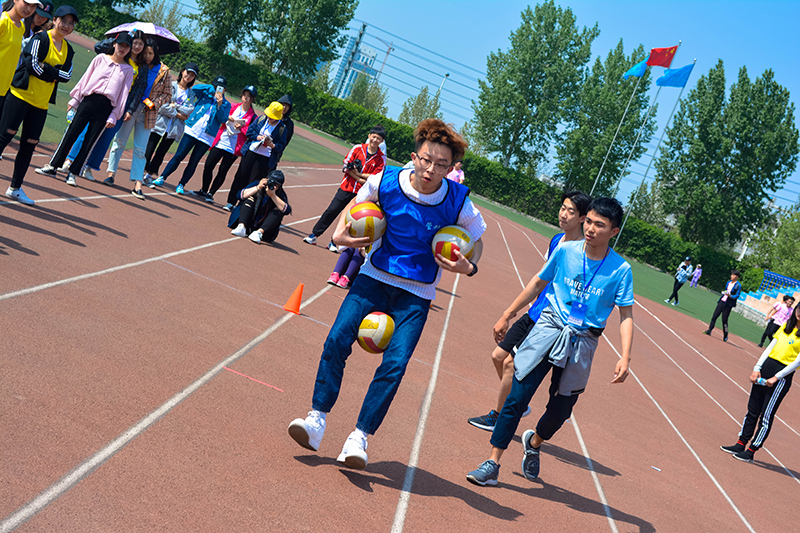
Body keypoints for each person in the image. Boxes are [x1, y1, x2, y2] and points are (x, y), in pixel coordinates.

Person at [288, 119, 486, 471]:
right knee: (337, 339)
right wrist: (342, 237)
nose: (431, 169)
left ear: (451, 168)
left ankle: (359, 437)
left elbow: (477, 240)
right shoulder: (385, 181)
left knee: (395, 364)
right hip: (373, 277)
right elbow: (352, 211)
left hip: (417, 293)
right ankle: (316, 420)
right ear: (414, 156)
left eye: (441, 164)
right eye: (426, 160)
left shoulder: (458, 202)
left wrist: (468, 267)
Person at [466, 197, 634, 487]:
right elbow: (537, 283)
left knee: (560, 411)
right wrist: (508, 313)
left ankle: (534, 441)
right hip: (548, 328)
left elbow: (626, 315)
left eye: (600, 225)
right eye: (589, 222)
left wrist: (625, 356)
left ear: (614, 231)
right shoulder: (566, 251)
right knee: (517, 397)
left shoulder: (621, 270)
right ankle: (492, 462)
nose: (591, 229)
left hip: (582, 341)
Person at [467, 191, 592, 432]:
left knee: (510, 365)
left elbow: (582, 294)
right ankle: (517, 403)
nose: (563, 214)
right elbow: (540, 279)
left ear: (581, 218)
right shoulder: (557, 240)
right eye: (563, 208)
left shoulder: (582, 253)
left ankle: (499, 416)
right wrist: (512, 312)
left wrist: (572, 326)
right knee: (498, 356)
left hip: (552, 321)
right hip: (535, 312)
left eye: (571, 211)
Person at [34, 32, 132, 187]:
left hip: (106, 107)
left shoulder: (128, 70)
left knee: (90, 141)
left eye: (126, 47)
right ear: (114, 44)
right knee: (71, 133)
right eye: (120, 44)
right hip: (88, 100)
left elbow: (123, 95)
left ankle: (73, 173)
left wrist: (114, 115)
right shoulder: (100, 59)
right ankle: (53, 166)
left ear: (129, 50)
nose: (122, 48)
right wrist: (75, 99)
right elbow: (85, 78)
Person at [1, 5, 75, 206]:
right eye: (63, 21)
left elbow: (67, 76)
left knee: (29, 146)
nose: (66, 26)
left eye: (71, 23)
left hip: (41, 105)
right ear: (55, 20)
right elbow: (31, 65)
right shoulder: (40, 38)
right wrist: (53, 73)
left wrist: (47, 69)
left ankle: (15, 188)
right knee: (4, 137)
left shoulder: (68, 50)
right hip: (20, 96)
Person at [57, 29, 145, 183]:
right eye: (135, 43)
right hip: (91, 98)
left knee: (98, 139)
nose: (136, 47)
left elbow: (134, 91)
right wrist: (125, 37)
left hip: (114, 103)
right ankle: (64, 161)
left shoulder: (138, 67)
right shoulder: (103, 57)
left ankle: (83, 168)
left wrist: (126, 110)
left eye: (139, 44)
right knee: (77, 132)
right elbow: (97, 51)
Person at [720, 304, 800, 463]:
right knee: (752, 410)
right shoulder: (786, 327)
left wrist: (777, 377)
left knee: (766, 415)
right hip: (766, 368)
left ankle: (751, 450)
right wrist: (757, 368)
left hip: (782, 376)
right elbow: (770, 348)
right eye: (799, 310)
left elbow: (797, 361)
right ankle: (741, 443)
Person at [102, 38, 170, 199]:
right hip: (131, 108)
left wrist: (155, 103)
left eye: (150, 53)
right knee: (120, 141)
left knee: (140, 149)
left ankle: (138, 183)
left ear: (156, 53)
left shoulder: (164, 71)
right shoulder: (138, 65)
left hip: (148, 112)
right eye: (145, 53)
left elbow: (167, 94)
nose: (147, 56)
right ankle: (111, 173)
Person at [302, 125, 386, 252]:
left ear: (382, 141)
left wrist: (358, 174)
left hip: (362, 194)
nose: (375, 140)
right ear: (369, 136)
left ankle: (334, 242)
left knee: (349, 219)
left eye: (378, 138)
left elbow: (376, 177)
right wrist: (359, 178)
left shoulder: (381, 158)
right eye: (373, 137)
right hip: (347, 187)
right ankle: (314, 235)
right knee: (332, 210)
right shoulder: (357, 148)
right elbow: (346, 166)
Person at [149, 75, 231, 193]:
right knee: (179, 155)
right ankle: (163, 177)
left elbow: (223, 119)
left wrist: (220, 104)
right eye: (216, 86)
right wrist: (211, 88)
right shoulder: (205, 94)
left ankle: (181, 184)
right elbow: (195, 88)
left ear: (224, 90)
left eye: (221, 88)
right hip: (192, 130)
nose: (218, 89)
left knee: (193, 162)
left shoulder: (226, 104)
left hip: (207, 137)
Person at [192, 84, 257, 204]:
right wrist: (228, 117)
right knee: (208, 165)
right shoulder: (233, 106)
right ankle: (204, 189)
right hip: (221, 141)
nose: (245, 98)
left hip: (233, 148)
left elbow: (251, 133)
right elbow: (222, 117)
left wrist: (241, 127)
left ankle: (211, 193)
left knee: (223, 171)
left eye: (249, 96)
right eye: (244, 95)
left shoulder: (253, 117)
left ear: (252, 99)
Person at [222, 101, 285, 210]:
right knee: (240, 177)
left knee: (253, 182)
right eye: (269, 115)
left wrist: (272, 145)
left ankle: (242, 205)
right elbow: (249, 131)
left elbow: (281, 145)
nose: (270, 118)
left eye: (273, 117)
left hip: (264, 158)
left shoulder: (281, 128)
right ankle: (231, 202)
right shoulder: (261, 119)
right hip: (250, 153)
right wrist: (258, 137)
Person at [142, 62, 197, 185]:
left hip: (174, 128)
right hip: (160, 123)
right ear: (182, 71)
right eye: (187, 72)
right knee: (149, 148)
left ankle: (148, 176)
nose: (188, 76)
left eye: (192, 75)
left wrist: (174, 106)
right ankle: (140, 172)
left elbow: (189, 110)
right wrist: (179, 114)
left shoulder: (191, 94)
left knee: (161, 153)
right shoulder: (170, 86)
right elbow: (162, 106)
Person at [0, 0, 39, 126]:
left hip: (4, 89)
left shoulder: (21, 27)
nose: (29, 9)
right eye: (27, 3)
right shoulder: (3, 21)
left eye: (33, 6)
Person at [228, 169, 290, 244]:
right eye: (271, 181)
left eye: (276, 184)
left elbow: (286, 210)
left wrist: (273, 195)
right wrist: (258, 187)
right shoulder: (257, 184)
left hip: (263, 228)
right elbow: (239, 195)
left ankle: (259, 232)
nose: (272, 185)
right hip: (249, 219)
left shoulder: (280, 194)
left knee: (278, 211)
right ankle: (241, 226)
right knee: (250, 199)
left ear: (280, 186)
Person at [702, 270, 742, 342]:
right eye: (731, 275)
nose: (732, 276)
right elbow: (726, 290)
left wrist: (730, 296)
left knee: (724, 320)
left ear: (737, 276)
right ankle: (709, 330)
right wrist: (725, 292)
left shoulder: (738, 285)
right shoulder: (728, 282)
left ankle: (725, 334)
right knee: (714, 316)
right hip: (722, 301)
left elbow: (737, 295)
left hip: (728, 304)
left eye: (733, 275)